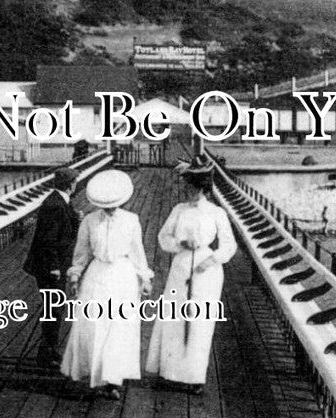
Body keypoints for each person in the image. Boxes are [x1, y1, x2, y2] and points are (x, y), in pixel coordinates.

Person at [60, 169, 153, 400]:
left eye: (114, 204)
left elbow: (137, 252)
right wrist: (74, 276)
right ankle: (95, 373)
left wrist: (144, 277)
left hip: (123, 276)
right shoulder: (90, 221)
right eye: (106, 204)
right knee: (95, 325)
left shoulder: (132, 220)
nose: (110, 208)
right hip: (97, 275)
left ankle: (113, 380)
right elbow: (81, 253)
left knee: (118, 328)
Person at [146, 158, 235, 396]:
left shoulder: (217, 213)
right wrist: (180, 243)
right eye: (188, 187)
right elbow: (163, 238)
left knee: (200, 323)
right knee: (174, 319)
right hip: (181, 265)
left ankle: (195, 376)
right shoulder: (179, 210)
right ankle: (171, 372)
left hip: (207, 271)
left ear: (205, 189)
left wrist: (211, 260)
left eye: (195, 188)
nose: (190, 191)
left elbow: (229, 245)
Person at [22, 167, 81, 368]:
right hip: (49, 267)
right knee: (53, 309)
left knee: (54, 308)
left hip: (52, 265)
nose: (76, 184)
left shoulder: (59, 201)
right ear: (70, 184)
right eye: (75, 181)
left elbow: (64, 226)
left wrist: (75, 218)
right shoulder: (55, 204)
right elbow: (48, 239)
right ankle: (47, 353)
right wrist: (54, 267)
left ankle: (48, 350)